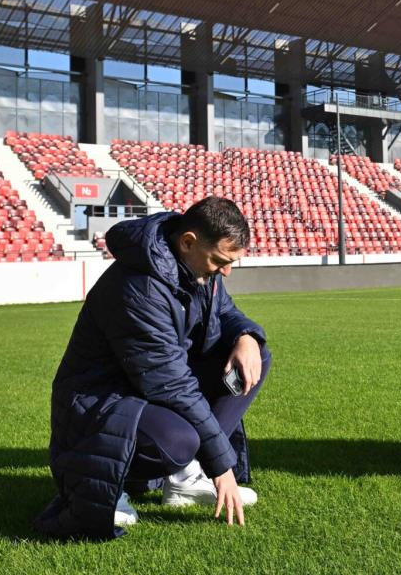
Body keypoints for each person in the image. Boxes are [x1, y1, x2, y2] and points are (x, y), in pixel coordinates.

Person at [35, 196, 270, 540]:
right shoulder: (138, 286)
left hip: (144, 390)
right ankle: (110, 487)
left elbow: (226, 313)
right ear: (187, 242)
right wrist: (222, 465)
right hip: (102, 401)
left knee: (256, 356)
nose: (226, 271)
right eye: (221, 260)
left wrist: (247, 336)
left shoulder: (196, 267)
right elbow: (172, 384)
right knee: (178, 441)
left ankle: (184, 479)